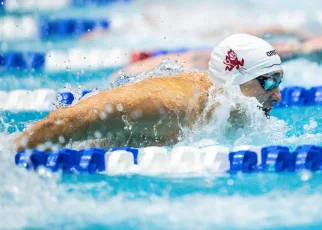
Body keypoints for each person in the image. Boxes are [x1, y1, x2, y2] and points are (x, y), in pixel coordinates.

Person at [15, 34, 283, 151]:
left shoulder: (219, 103)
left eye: (279, 80)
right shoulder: (168, 106)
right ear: (234, 80)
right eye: (269, 81)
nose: (278, 95)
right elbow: (63, 122)